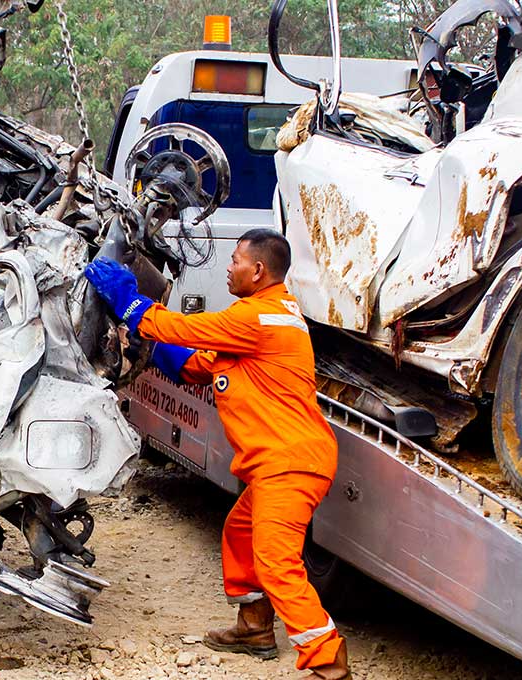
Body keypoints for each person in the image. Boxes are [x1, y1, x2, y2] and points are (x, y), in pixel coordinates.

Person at [84, 229, 348, 679]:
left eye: (236, 261)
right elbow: (193, 364)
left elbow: (180, 327)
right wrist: (148, 342)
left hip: (290, 462)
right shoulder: (262, 320)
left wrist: (128, 299)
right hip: (281, 463)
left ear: (258, 271)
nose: (228, 267)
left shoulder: (258, 319)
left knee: (276, 559)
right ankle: (254, 628)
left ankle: (329, 662)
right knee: (241, 532)